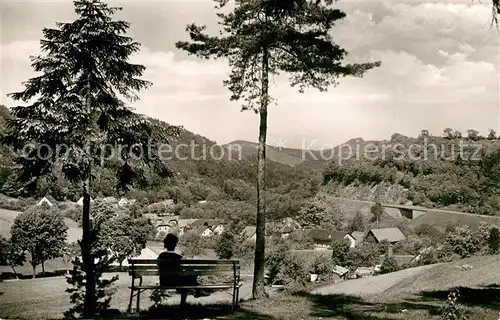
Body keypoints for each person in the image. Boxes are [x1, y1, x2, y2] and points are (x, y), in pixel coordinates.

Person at [157, 233, 209, 305]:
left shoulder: (161, 256)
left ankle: (198, 290)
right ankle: (192, 295)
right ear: (175, 245)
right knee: (190, 276)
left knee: (188, 279)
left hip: (164, 281)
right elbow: (183, 269)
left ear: (165, 244)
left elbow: (158, 266)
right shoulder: (179, 257)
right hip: (176, 282)